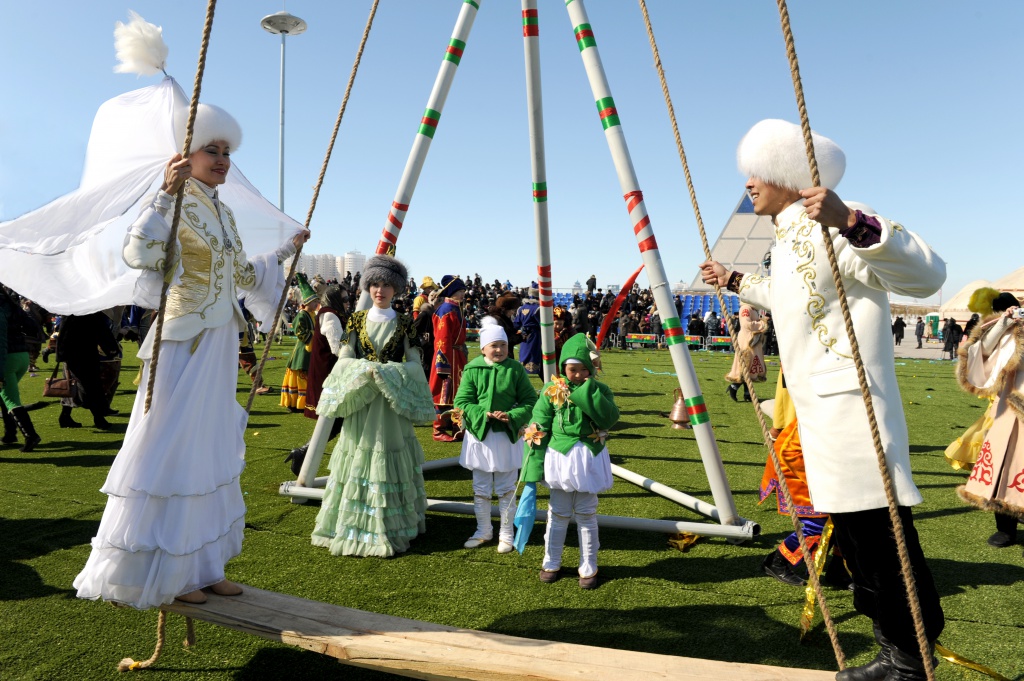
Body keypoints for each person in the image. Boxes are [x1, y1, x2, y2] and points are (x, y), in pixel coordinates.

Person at [699, 118, 946, 680]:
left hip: (852, 409)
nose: (749, 185)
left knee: (880, 533)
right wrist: (737, 280)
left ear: (786, 172)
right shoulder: (787, 235)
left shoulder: (834, 218)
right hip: (820, 412)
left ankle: (909, 658)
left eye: (756, 173)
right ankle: (898, 648)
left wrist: (853, 222)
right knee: (857, 537)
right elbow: (791, 293)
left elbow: (927, 274)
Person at [74, 104, 309, 608]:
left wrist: (287, 252)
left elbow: (242, 276)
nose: (223, 160)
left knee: (208, 450)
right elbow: (140, 256)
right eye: (213, 151)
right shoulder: (174, 202)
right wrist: (163, 194)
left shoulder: (222, 212)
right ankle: (169, 573)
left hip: (221, 340)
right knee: (175, 449)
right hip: (183, 342)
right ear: (187, 155)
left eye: (227, 152)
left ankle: (203, 565)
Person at [310, 255, 435, 557]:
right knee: (357, 455)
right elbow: (345, 358)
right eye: (375, 284)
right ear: (368, 286)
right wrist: (361, 370)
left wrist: (389, 372)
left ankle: (393, 527)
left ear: (397, 289)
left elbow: (416, 363)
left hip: (389, 404)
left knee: (388, 455)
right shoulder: (355, 320)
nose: (380, 290)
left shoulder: (405, 323)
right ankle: (353, 528)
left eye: (386, 285)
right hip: (363, 400)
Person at [521, 333, 619, 590]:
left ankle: (589, 566)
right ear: (563, 367)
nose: (575, 375)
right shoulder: (551, 389)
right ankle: (551, 562)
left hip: (589, 454)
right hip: (559, 455)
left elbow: (609, 419)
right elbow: (540, 419)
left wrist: (587, 389)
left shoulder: (600, 389)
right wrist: (533, 452)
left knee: (587, 513)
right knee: (558, 513)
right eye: (571, 369)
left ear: (591, 368)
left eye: (582, 369)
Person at [453, 321, 537, 552]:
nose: (499, 350)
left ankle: (507, 533)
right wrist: (483, 413)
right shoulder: (472, 369)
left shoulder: (516, 369)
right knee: (480, 487)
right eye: (493, 345)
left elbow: (530, 400)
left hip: (506, 437)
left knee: (506, 487)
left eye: (503, 345)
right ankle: (483, 530)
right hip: (480, 436)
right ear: (482, 348)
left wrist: (511, 415)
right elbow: (461, 402)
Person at [954, 291, 1023, 552]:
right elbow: (982, 352)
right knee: (1002, 464)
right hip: (1009, 408)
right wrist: (1005, 323)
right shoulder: (1008, 327)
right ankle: (1005, 529)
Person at [284, 282, 349, 476]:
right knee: (335, 420)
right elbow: (338, 347)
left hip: (330, 372)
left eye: (348, 299)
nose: (347, 303)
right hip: (329, 374)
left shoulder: (333, 314)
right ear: (334, 299)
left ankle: (303, 453)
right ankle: (303, 453)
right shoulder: (330, 314)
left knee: (338, 421)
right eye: (344, 299)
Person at [57, 312, 121, 429]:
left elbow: (63, 332)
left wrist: (61, 354)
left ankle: (65, 416)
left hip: (73, 354)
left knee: (72, 384)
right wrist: (111, 349)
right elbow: (101, 330)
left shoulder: (70, 311)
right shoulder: (90, 311)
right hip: (86, 354)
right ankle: (98, 418)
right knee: (90, 386)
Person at [1, 287, 41, 452]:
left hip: (7, 359)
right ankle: (10, 433)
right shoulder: (11, 304)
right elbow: (32, 326)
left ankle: (30, 435)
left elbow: (1, 342)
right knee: (4, 396)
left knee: (11, 400)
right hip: (22, 356)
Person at [430, 275, 468, 442]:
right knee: (443, 393)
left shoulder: (456, 308)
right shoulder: (446, 310)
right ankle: (438, 430)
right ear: (451, 292)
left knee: (458, 393)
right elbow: (442, 339)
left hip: (457, 356)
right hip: (447, 357)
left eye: (463, 291)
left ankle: (456, 425)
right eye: (460, 291)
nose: (462, 294)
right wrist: (442, 364)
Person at [280, 273, 319, 413]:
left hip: (311, 348)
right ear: (307, 302)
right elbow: (299, 331)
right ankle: (295, 403)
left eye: (317, 301)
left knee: (307, 376)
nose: (316, 304)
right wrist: (315, 337)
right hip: (303, 350)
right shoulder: (302, 315)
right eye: (314, 302)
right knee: (300, 375)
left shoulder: (313, 315)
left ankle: (305, 401)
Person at [725, 303, 767, 401]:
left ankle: (747, 393)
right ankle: (734, 387)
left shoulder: (752, 309)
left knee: (751, 365)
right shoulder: (746, 308)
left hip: (753, 340)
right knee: (746, 364)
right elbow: (746, 324)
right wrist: (762, 324)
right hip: (747, 340)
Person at [513, 284, 542, 375]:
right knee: (534, 351)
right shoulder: (538, 309)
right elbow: (542, 324)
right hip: (534, 334)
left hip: (524, 333)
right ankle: (534, 369)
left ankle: (523, 368)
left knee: (524, 351)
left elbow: (516, 324)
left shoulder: (521, 308)